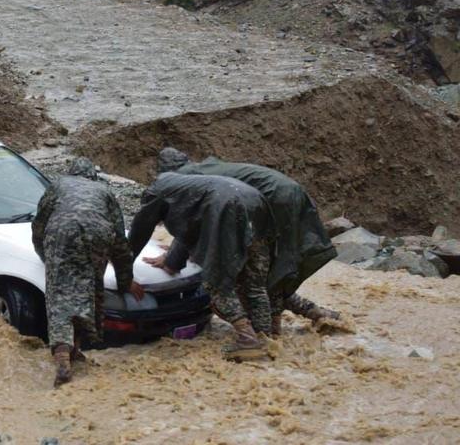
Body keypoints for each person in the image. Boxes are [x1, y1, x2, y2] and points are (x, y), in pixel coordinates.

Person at [157, 148, 341, 335]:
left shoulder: (183, 179)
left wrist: (171, 261)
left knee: (251, 281)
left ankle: (264, 336)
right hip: (290, 194)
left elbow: (190, 225)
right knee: (276, 270)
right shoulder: (207, 167)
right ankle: (313, 316)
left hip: (272, 200)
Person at [127, 171, 274, 361]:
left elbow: (139, 232)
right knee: (254, 284)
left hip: (227, 207)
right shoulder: (189, 188)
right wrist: (171, 262)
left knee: (217, 281)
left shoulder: (157, 193)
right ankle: (266, 339)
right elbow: (189, 230)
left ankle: (247, 340)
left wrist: (125, 272)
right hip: (255, 200)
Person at [31, 157, 143, 387]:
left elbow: (39, 223)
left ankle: (63, 354)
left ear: (72, 172)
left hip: (62, 233)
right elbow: (120, 241)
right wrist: (125, 282)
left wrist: (45, 255)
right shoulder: (105, 191)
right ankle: (77, 349)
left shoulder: (59, 184)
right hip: (98, 235)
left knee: (60, 295)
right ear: (92, 175)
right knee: (89, 289)